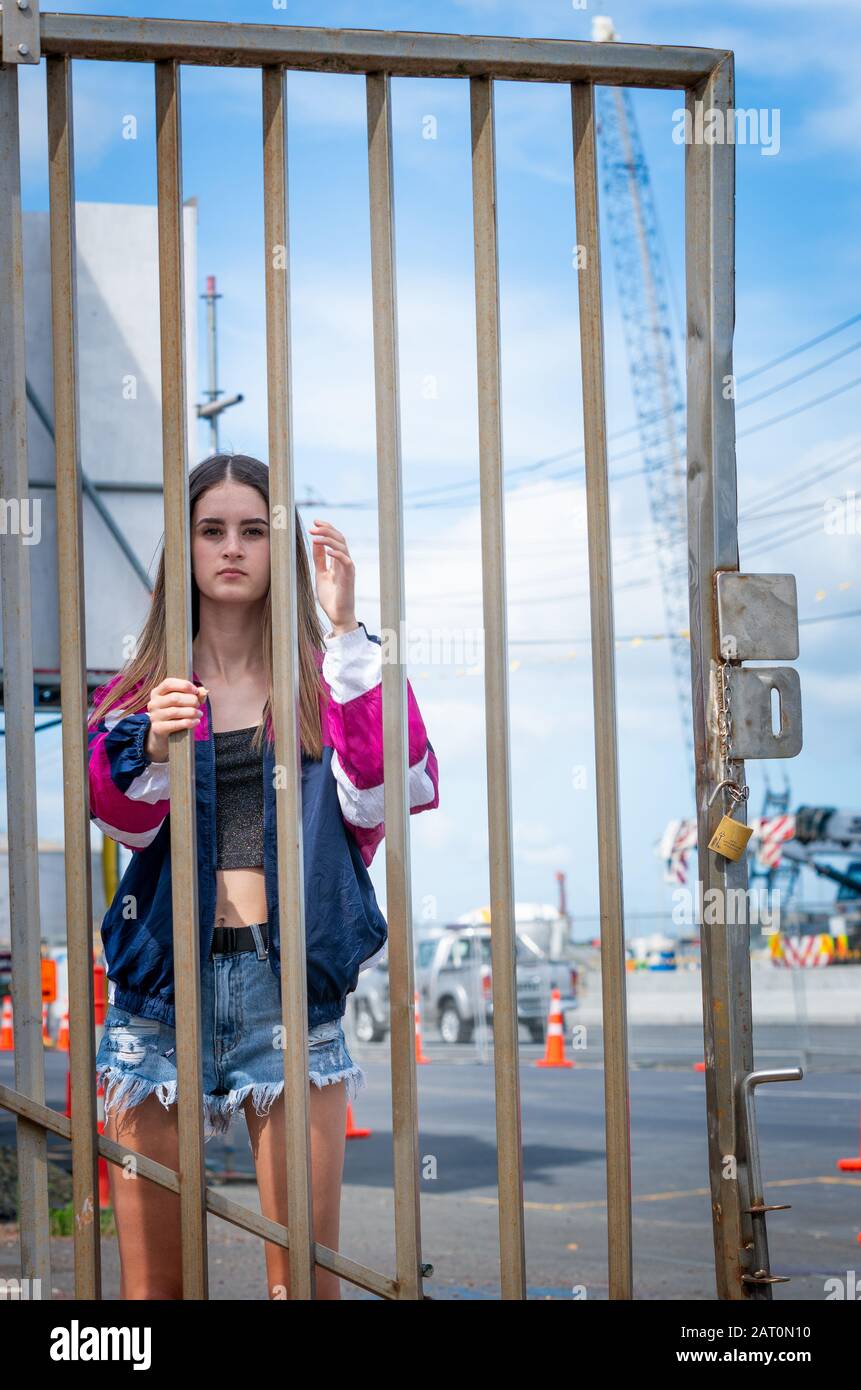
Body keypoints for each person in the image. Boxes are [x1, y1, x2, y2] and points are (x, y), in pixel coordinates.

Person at [86, 451, 440, 1299]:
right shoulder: (148, 689)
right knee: (152, 1293)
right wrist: (156, 741)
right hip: (159, 995)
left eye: (254, 529)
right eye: (213, 530)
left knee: (302, 1287)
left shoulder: (328, 681)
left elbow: (397, 788)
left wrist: (349, 631)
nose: (233, 547)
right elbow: (115, 814)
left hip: (287, 993)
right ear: (188, 550)